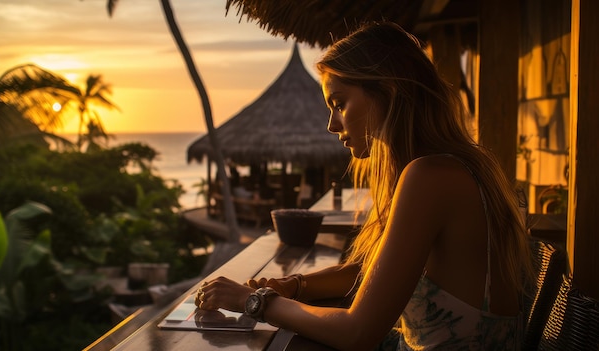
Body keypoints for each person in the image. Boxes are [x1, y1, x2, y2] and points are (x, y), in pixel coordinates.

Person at [194, 21, 534, 350]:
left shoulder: (430, 177)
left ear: (387, 91)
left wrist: (255, 301)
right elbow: (374, 270)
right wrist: (294, 285)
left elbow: (357, 333)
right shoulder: (449, 167)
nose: (331, 124)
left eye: (340, 103)